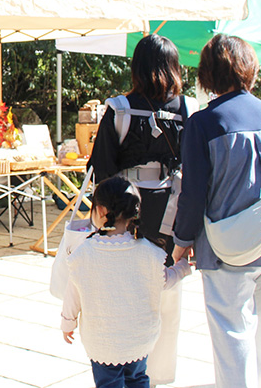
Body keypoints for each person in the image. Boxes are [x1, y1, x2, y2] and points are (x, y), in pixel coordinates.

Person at [173, 34, 261, 388]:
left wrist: (182, 242)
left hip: (225, 249)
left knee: (233, 341)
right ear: (249, 69)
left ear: (208, 75)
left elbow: (194, 192)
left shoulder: (203, 123)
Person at [87, 34, 195, 385]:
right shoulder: (185, 110)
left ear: (137, 67)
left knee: (120, 289)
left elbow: (101, 169)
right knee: (165, 291)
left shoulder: (118, 108)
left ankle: (118, 364)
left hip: (124, 215)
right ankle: (158, 375)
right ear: (174, 68)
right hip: (170, 210)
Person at [61, 176, 192, 388]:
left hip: (103, 341)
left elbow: (73, 293)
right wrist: (182, 266)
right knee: (138, 379)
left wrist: (68, 322)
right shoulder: (150, 253)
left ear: (101, 211)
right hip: (139, 339)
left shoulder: (84, 253)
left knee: (108, 383)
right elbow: (166, 280)